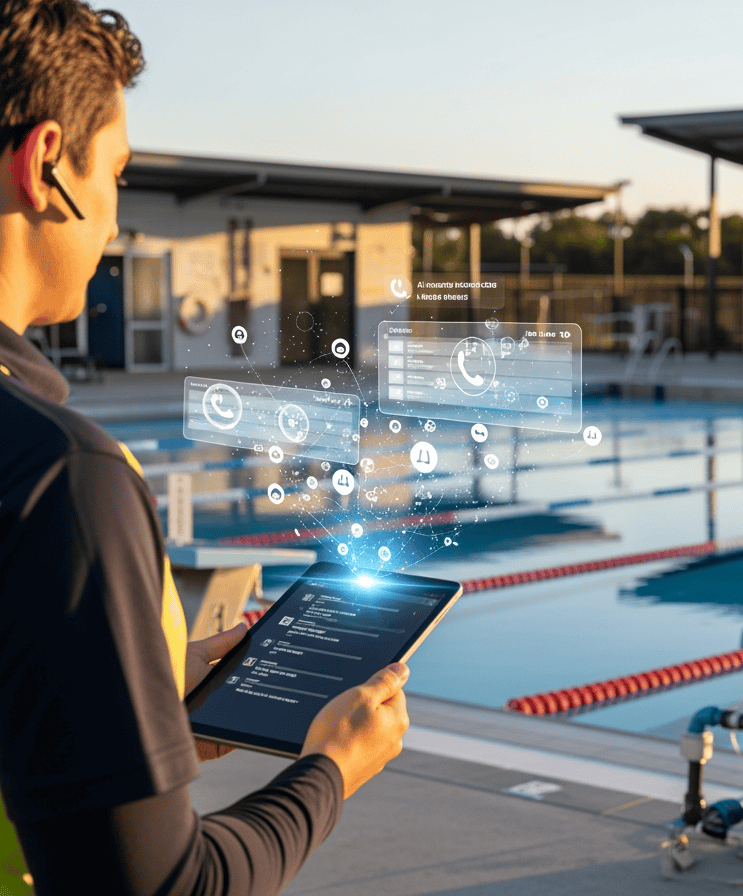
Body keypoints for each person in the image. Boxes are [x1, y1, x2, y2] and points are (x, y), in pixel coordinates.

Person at [0, 2, 412, 892]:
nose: (112, 220)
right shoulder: (59, 477)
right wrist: (331, 769)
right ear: (43, 167)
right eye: (114, 172)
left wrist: (146, 700)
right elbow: (162, 886)